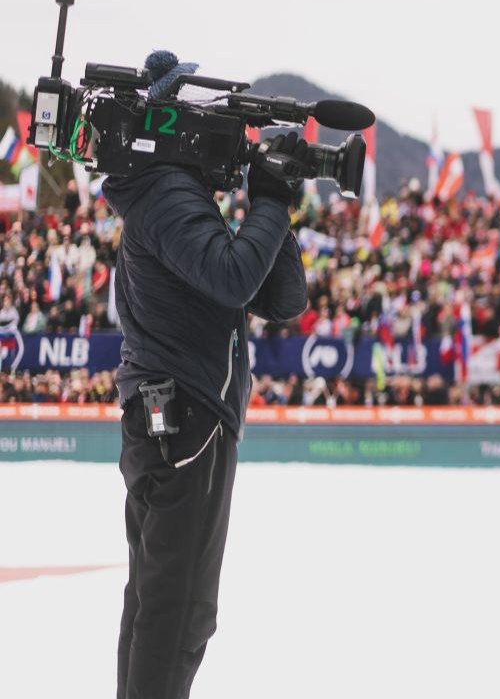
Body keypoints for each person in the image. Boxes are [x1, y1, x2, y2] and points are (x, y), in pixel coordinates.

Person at [104, 51, 310, 699]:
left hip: (182, 417)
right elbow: (233, 276)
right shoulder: (166, 194)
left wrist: (274, 198)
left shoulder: (170, 193)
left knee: (164, 605)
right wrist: (269, 202)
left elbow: (281, 299)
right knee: (176, 611)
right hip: (184, 419)